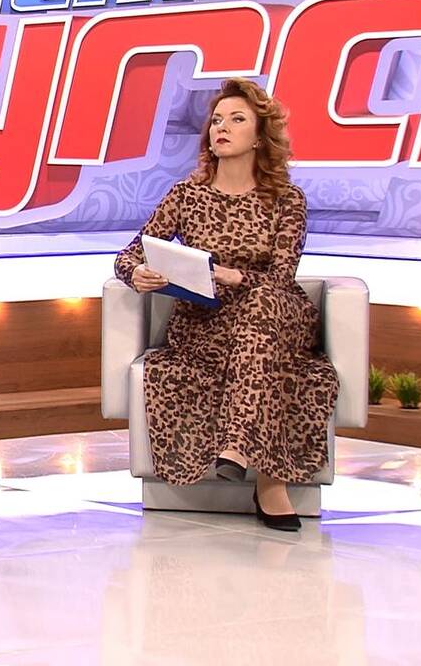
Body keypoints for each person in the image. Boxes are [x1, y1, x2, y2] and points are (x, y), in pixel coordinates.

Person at [113, 77, 339, 532]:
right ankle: (269, 485)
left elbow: (282, 277)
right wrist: (137, 274)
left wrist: (235, 276)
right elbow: (129, 254)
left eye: (237, 119)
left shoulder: (287, 199)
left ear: (259, 136)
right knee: (261, 340)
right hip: (207, 323)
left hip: (276, 313)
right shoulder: (186, 196)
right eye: (217, 120)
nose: (222, 127)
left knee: (262, 305)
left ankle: (238, 445)